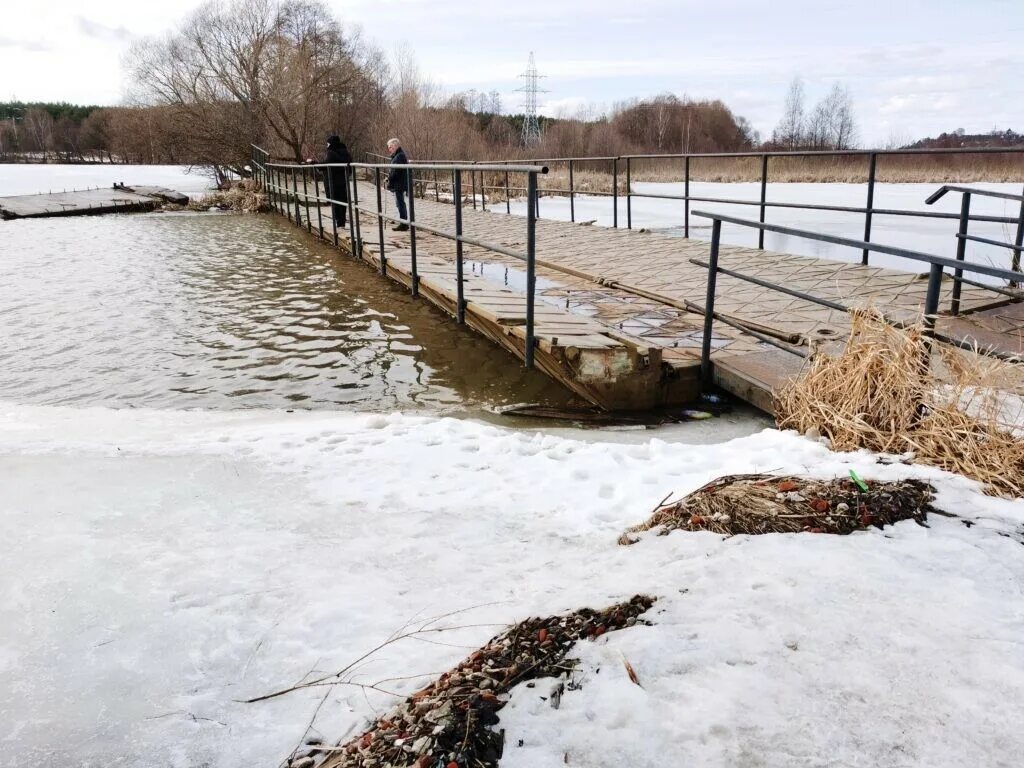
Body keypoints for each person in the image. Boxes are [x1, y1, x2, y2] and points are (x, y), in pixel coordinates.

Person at [323, 135, 351, 228]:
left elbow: (325, 165)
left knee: (335, 201)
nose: (327, 145)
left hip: (333, 181)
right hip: (343, 180)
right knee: (342, 201)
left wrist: (313, 163)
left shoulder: (331, 153)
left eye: (327, 143)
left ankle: (338, 222)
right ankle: (341, 222)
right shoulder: (346, 153)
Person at [385, 138, 409, 231]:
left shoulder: (399, 156)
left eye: (390, 147)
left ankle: (404, 224)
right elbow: (394, 170)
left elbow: (396, 171)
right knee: (399, 203)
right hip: (399, 183)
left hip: (399, 183)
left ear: (395, 146)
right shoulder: (397, 155)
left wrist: (389, 178)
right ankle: (404, 223)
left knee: (400, 203)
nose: (389, 149)